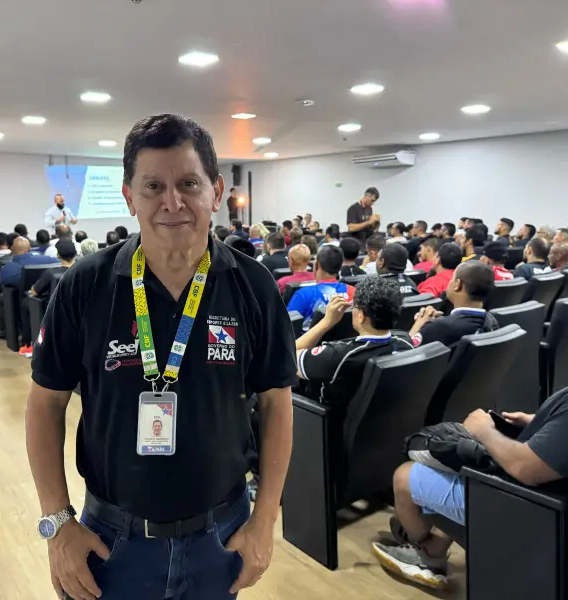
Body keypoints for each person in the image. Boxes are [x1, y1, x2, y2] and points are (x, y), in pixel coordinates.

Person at [27, 113, 297, 599]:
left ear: (216, 191)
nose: (172, 202)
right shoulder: (85, 284)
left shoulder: (254, 285)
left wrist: (265, 520)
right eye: (153, 186)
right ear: (130, 197)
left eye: (188, 183)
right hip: (111, 538)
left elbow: (277, 403)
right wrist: (57, 523)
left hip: (223, 535)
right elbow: (45, 404)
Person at [372, 275, 568, 590]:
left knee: (405, 475)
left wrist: (484, 431)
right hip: (558, 504)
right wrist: (539, 422)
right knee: (450, 460)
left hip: (521, 507)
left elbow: (527, 469)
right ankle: (437, 544)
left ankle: (425, 555)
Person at [294, 281, 413, 406]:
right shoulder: (406, 344)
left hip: (320, 416)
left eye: (353, 306)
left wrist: (327, 322)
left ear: (361, 315)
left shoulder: (339, 355)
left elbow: (289, 358)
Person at [410, 261, 499, 348]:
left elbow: (406, 351)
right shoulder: (492, 323)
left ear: (457, 284)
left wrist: (419, 324)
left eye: (452, 279)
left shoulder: (437, 327)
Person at [19, 239, 77, 357]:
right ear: (76, 254)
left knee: (26, 303)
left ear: (58, 256)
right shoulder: (84, 270)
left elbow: (34, 291)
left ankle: (28, 344)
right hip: (79, 313)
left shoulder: (51, 273)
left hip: (54, 315)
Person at [287, 245, 355, 327]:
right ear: (340, 266)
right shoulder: (353, 292)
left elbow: (286, 326)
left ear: (316, 264)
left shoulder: (302, 295)